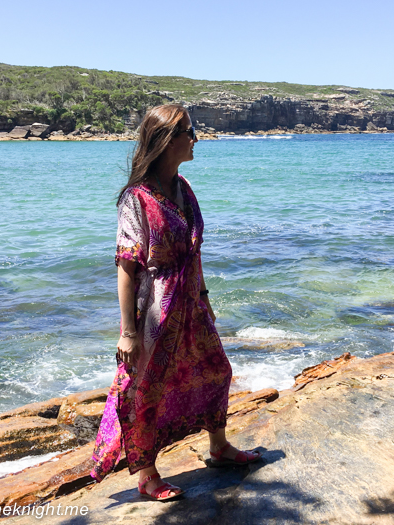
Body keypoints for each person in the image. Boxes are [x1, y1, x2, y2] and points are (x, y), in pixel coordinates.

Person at [90, 104, 261, 501]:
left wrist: (203, 296)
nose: (196, 138)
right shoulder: (136, 198)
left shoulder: (183, 189)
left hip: (191, 303)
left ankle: (218, 447)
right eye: (189, 131)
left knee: (216, 369)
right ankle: (147, 476)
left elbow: (194, 254)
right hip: (155, 310)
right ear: (167, 139)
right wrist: (128, 332)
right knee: (146, 388)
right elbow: (127, 266)